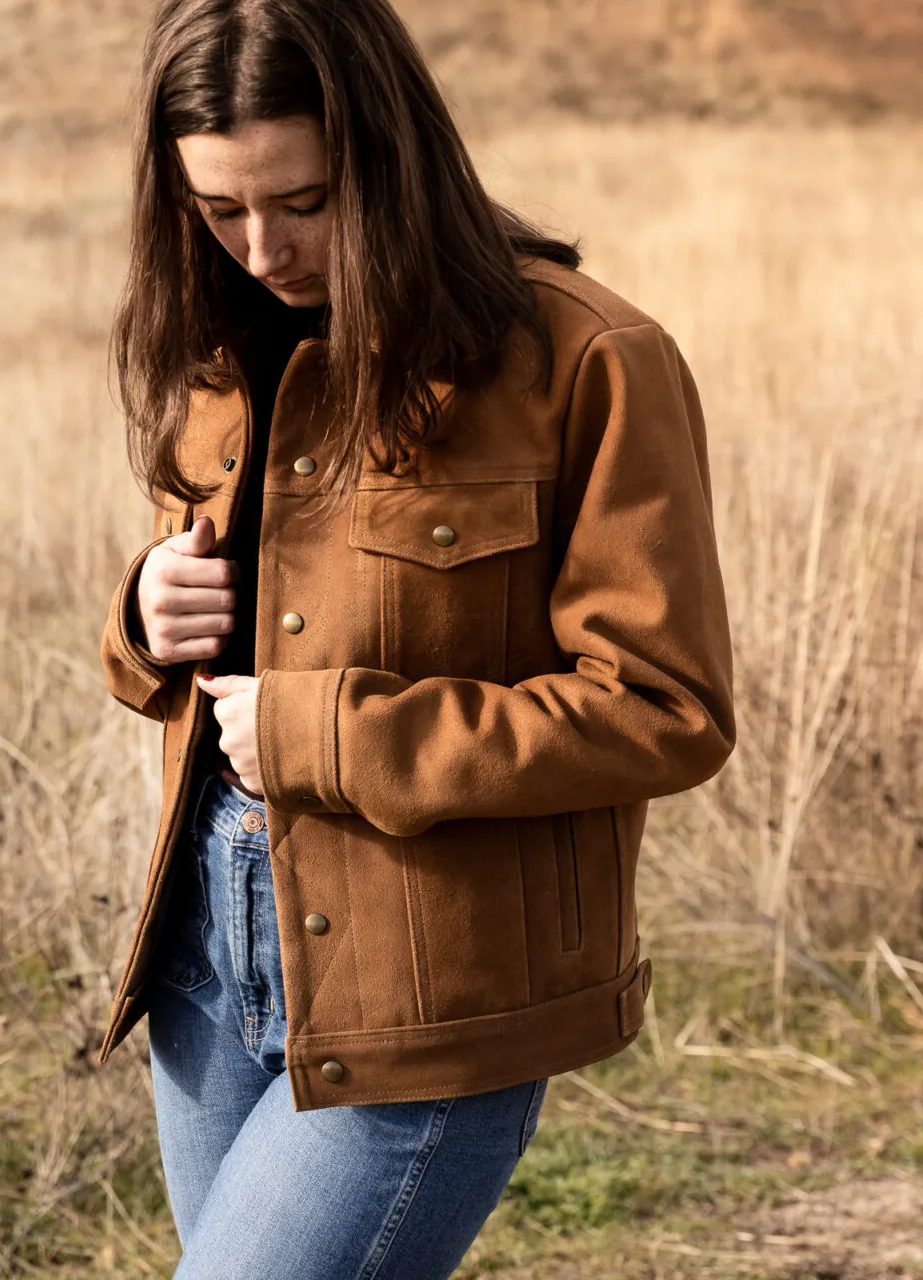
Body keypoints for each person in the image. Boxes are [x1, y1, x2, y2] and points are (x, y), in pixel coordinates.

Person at [98, 0, 735, 1274]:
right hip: (207, 958)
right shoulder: (216, 346)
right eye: (219, 212)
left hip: (432, 980)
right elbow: (210, 646)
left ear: (390, 157)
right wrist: (141, 619)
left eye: (304, 200)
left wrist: (334, 730)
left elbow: (667, 707)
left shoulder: (586, 359)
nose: (262, 247)